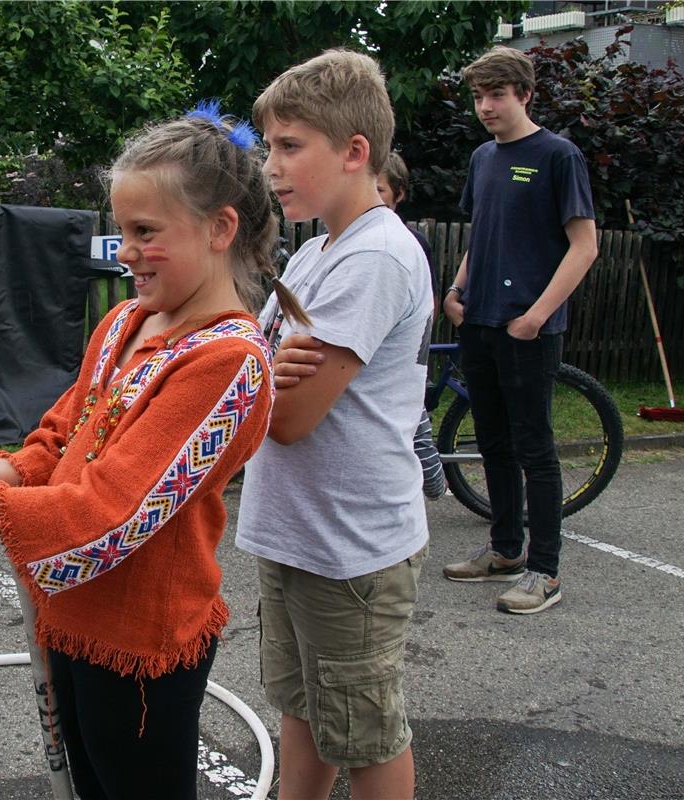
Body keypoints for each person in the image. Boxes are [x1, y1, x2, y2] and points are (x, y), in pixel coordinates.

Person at [0, 104, 302, 800]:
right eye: (121, 231)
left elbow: (108, 518)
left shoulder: (229, 363)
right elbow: (54, 446)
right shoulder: (125, 321)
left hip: (139, 643)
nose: (126, 251)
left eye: (146, 232)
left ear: (219, 228)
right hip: (70, 619)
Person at [234, 49, 431, 800]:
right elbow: (255, 369)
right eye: (268, 148)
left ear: (355, 152)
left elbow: (286, 418)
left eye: (290, 147)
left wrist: (256, 373)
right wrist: (260, 367)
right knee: (302, 706)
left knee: (366, 734)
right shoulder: (318, 249)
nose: (271, 168)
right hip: (298, 530)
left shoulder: (376, 255)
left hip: (350, 549)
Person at [440, 46, 598, 614]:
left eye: (497, 95)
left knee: (535, 448)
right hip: (478, 320)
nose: (486, 106)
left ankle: (544, 571)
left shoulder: (559, 156)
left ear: (525, 95)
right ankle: (505, 550)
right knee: (494, 443)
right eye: (479, 96)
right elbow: (482, 234)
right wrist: (456, 292)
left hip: (528, 328)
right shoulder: (483, 158)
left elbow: (585, 246)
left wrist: (536, 316)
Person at [378, 151, 447, 500]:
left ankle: (435, 482)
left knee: (415, 422)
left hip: (402, 353)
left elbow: (428, 303)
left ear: (399, 195)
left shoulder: (409, 242)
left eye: (380, 192)